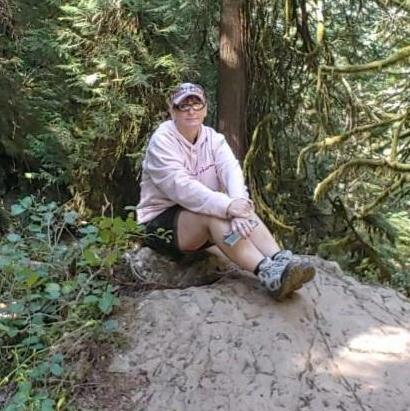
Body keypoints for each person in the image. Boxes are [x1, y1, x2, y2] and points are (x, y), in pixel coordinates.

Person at [137, 82, 315, 301]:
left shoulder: (213, 139)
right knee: (215, 215)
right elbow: (182, 187)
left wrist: (238, 204)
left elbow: (231, 171)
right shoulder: (162, 141)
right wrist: (228, 206)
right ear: (172, 111)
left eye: (196, 104)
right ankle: (268, 273)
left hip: (202, 211)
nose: (191, 110)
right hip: (160, 221)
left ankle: (281, 260)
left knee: (242, 209)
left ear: (205, 109)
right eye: (183, 106)